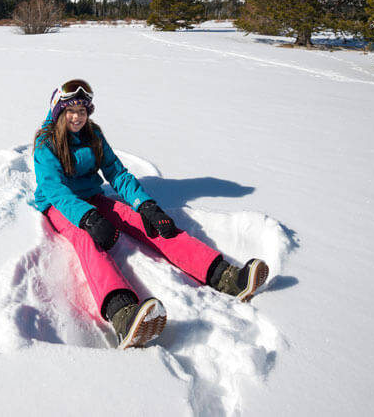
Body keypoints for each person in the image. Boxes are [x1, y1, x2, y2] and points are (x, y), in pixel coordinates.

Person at [32, 79, 269, 349]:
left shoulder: (93, 135)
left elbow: (117, 173)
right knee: (86, 238)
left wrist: (145, 205)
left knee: (143, 221)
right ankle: (123, 314)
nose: (77, 116)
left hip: (91, 196)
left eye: (83, 111)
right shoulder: (46, 141)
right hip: (59, 204)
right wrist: (89, 218)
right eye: (71, 110)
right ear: (58, 112)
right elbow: (54, 189)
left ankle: (226, 277)